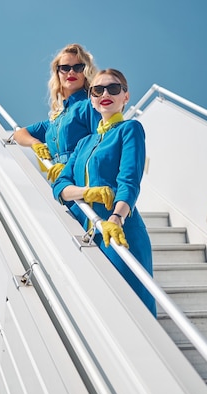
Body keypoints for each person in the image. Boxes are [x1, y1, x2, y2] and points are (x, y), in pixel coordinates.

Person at [52, 68, 156, 316]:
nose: (105, 94)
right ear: (91, 99)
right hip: (88, 234)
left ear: (125, 97)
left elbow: (129, 180)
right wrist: (87, 192)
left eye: (114, 88)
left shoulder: (130, 129)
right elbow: (60, 186)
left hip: (118, 233)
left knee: (131, 311)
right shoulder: (83, 143)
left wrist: (116, 218)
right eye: (97, 90)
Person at [13, 43, 101, 182]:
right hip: (64, 184)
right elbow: (19, 134)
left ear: (86, 72)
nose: (71, 72)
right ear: (57, 73)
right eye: (65, 68)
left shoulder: (91, 105)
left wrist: (70, 167)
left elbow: (101, 143)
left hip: (89, 180)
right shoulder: (56, 120)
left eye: (78, 67)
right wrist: (35, 143)